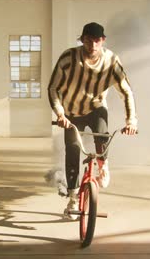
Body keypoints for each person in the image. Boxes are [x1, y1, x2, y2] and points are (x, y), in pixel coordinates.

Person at [48, 22, 138, 218]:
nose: (93, 45)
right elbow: (53, 87)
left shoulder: (111, 61)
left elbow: (126, 92)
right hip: (71, 112)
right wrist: (60, 114)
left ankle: (103, 165)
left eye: (97, 41)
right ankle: (72, 198)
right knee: (72, 151)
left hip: (96, 108)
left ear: (103, 41)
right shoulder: (68, 58)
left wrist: (131, 121)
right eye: (88, 40)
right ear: (82, 40)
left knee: (102, 136)